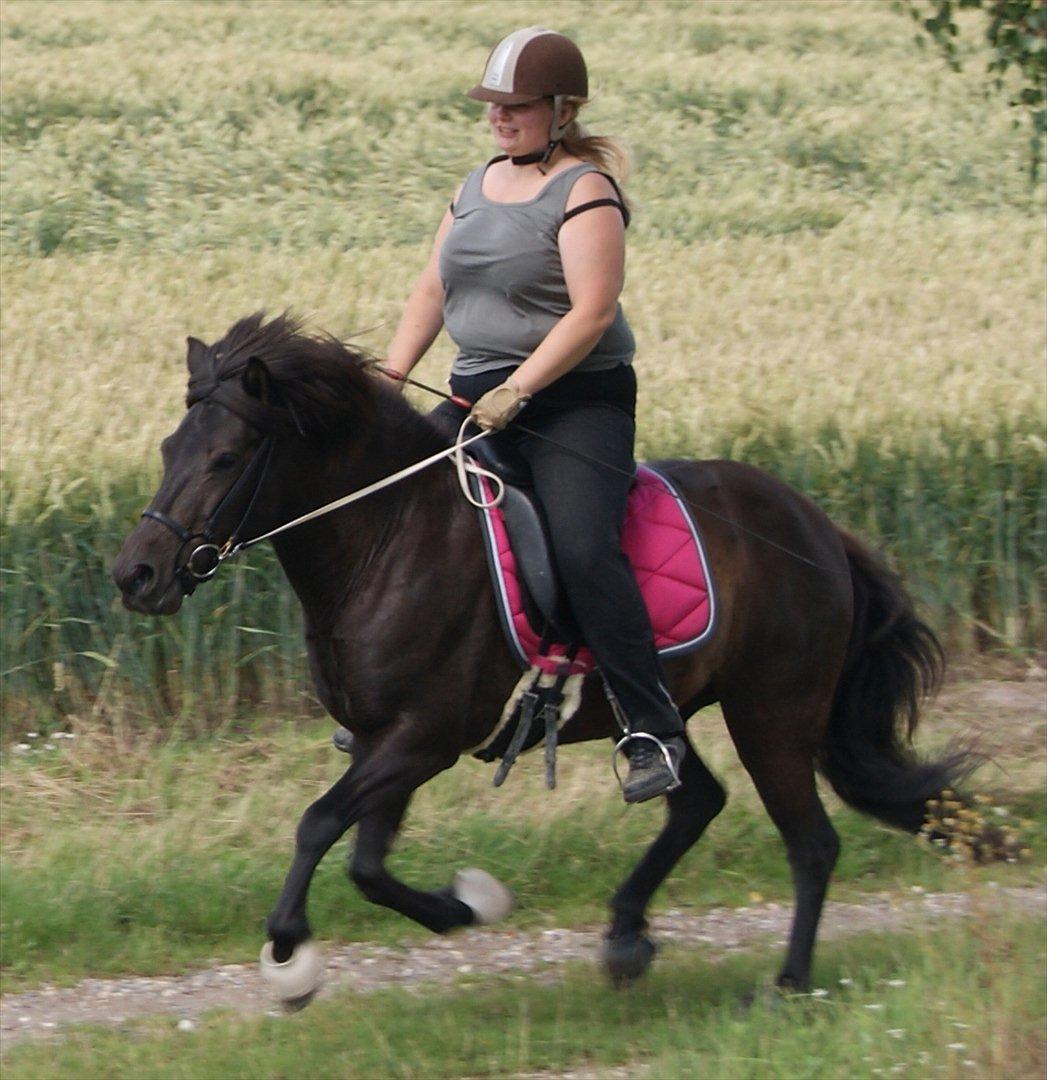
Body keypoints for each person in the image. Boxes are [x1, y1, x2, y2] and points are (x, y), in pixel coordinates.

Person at [380, 26, 686, 803]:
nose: (499, 118)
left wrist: (521, 388)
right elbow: (430, 290)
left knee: (585, 550)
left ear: (561, 109)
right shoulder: (477, 184)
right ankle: (394, 695)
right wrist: (390, 379)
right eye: (493, 105)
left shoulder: (585, 191)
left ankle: (649, 725)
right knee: (396, 518)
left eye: (516, 106)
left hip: (573, 402)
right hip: (474, 395)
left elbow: (591, 312)